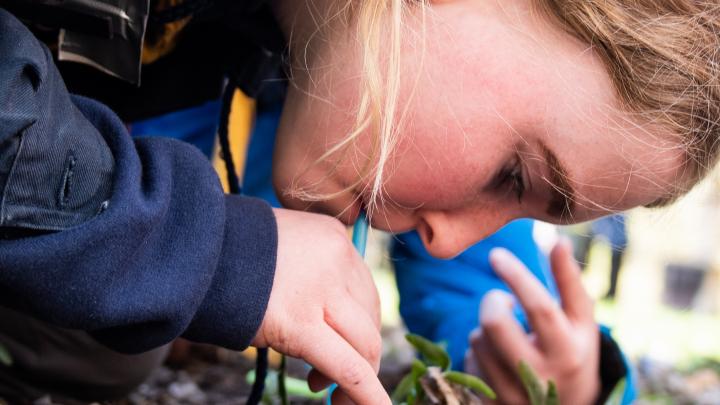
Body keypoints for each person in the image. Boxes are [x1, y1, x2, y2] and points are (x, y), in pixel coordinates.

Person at [1, 0, 719, 403]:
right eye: (511, 174)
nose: (446, 241)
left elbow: (473, 283)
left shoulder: (342, 60)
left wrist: (568, 383)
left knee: (107, 344)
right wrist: (203, 248)